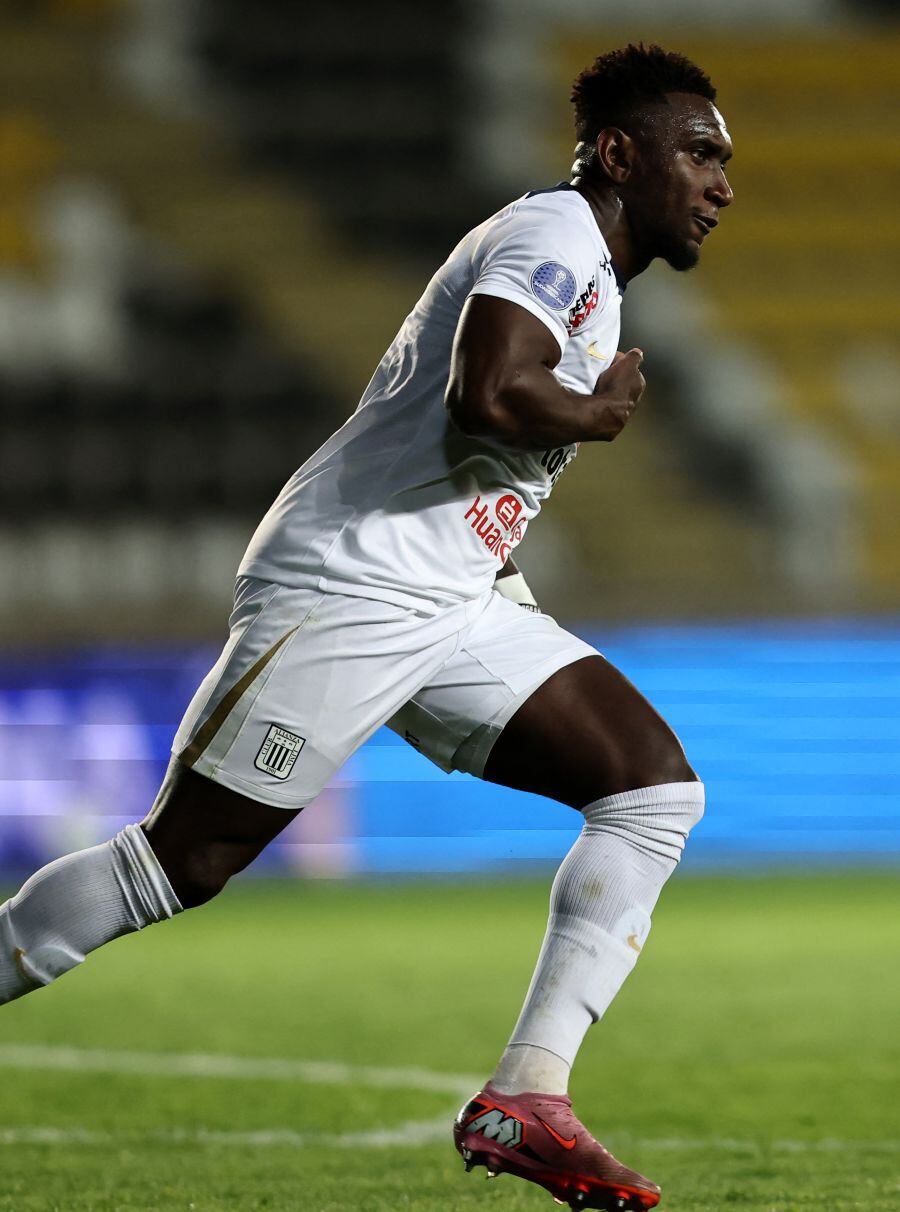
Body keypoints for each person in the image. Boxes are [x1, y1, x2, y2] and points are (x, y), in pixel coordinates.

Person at [0, 42, 733, 1212]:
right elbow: (486, 391)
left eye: (723, 159)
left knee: (651, 792)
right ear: (618, 154)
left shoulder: (587, 262)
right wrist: (594, 412)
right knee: (177, 864)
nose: (721, 182)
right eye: (698, 152)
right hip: (348, 586)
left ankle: (527, 1096)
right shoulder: (555, 238)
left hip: (449, 596)